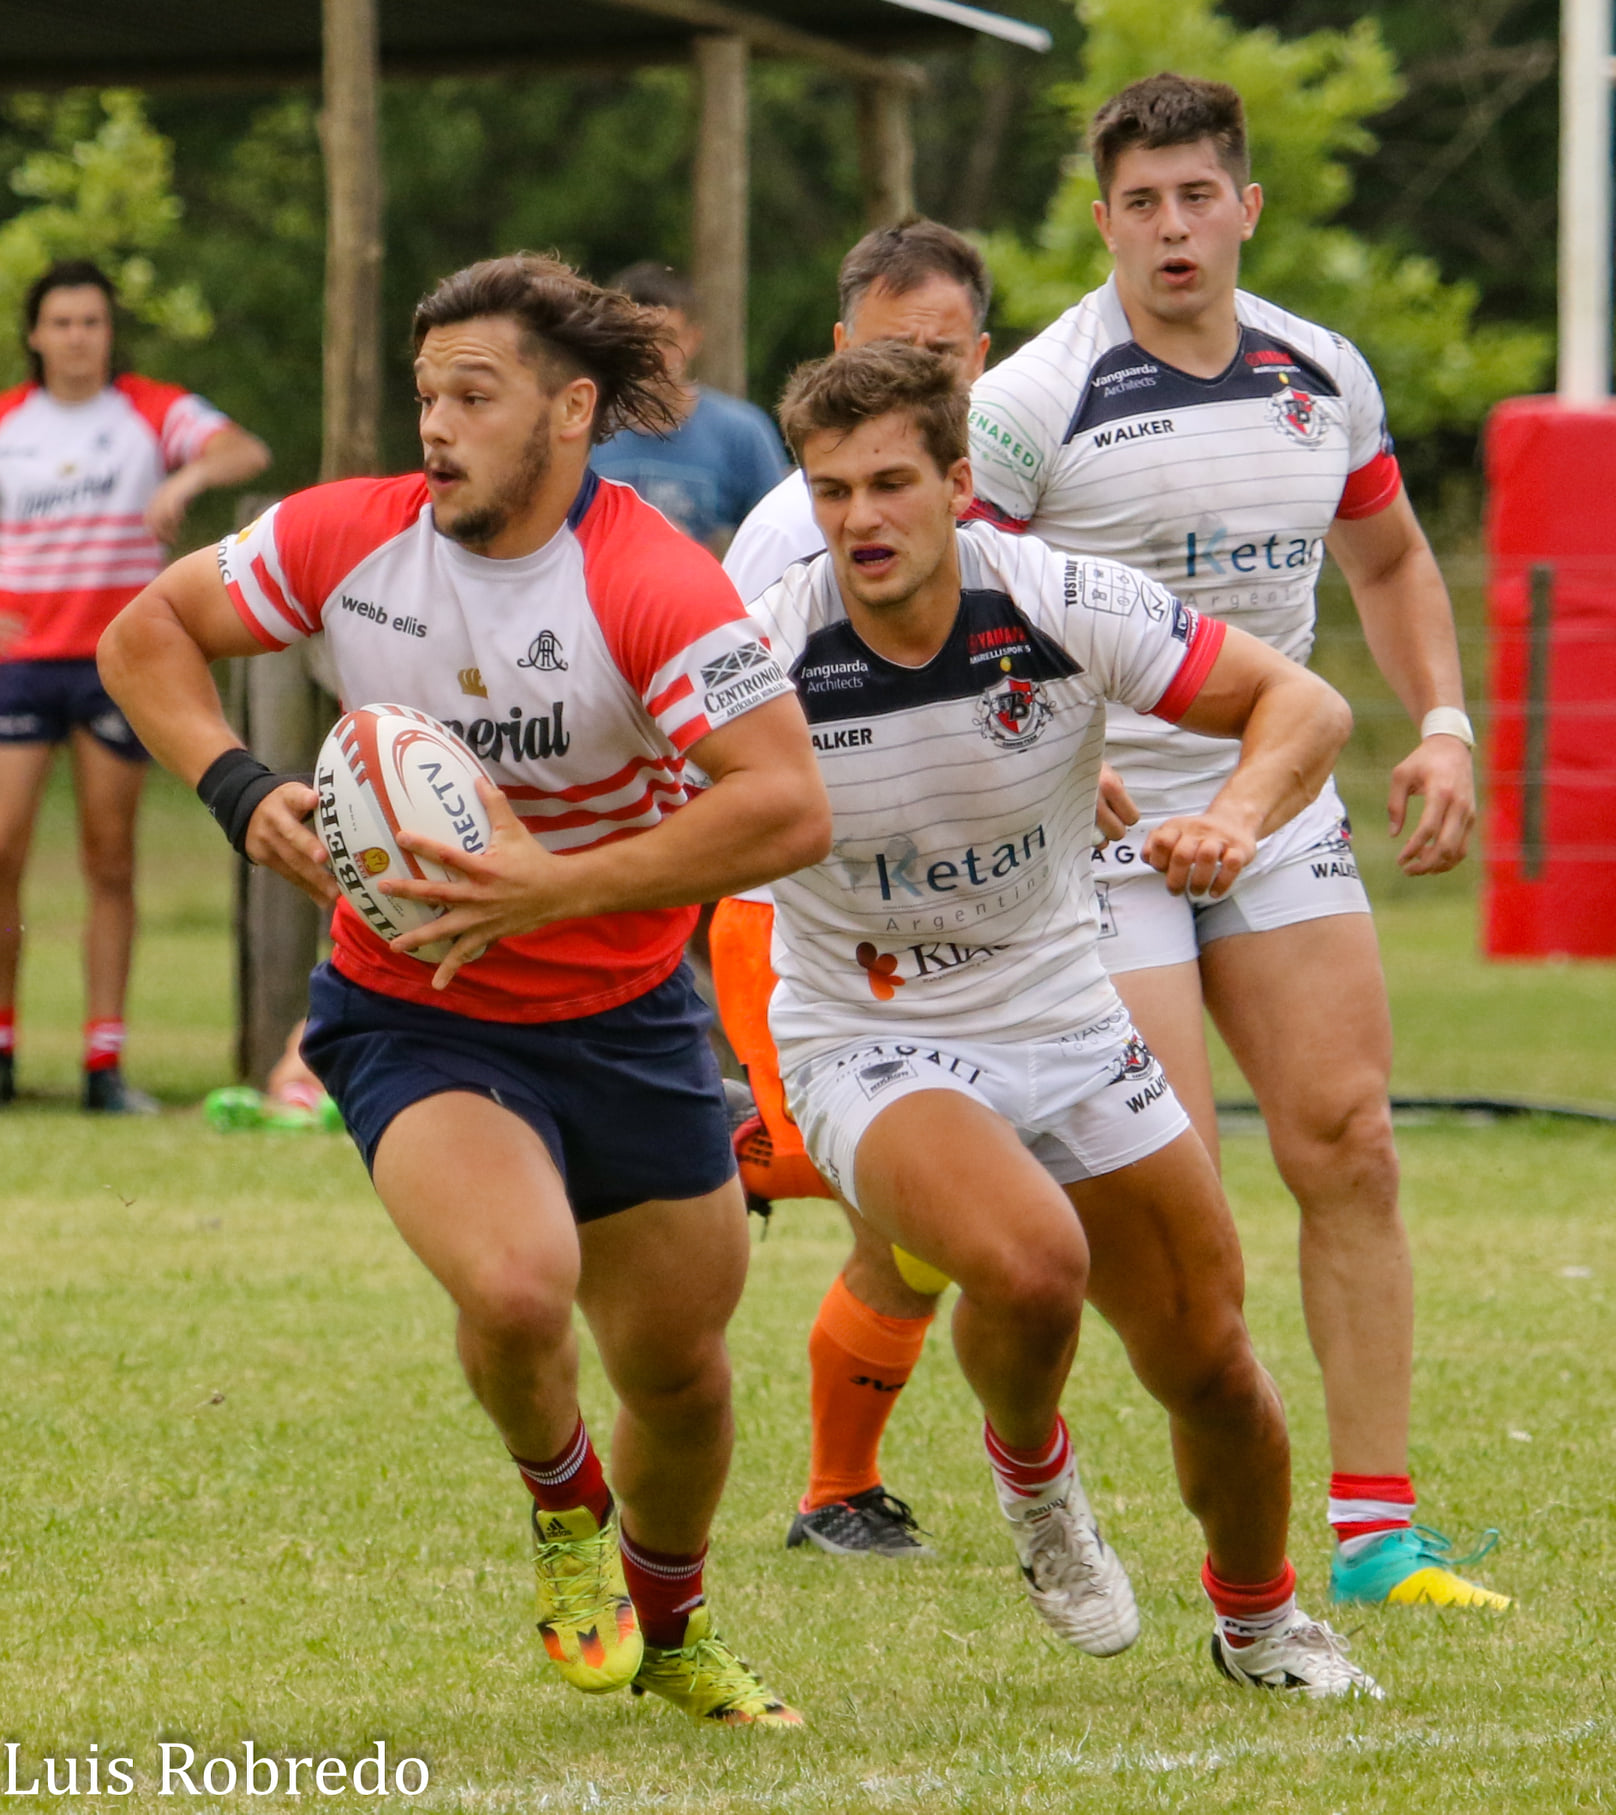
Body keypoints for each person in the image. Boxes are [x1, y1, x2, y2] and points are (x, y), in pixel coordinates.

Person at [99, 253, 831, 1727]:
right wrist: (241, 787)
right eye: (426, 394)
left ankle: (675, 1628)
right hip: (413, 1008)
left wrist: (553, 882)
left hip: (628, 1017)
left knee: (681, 1371)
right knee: (512, 1284)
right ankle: (568, 1513)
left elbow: (786, 805)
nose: (436, 425)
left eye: (474, 396)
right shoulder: (346, 539)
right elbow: (145, 636)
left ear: (569, 411)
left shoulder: (650, 582)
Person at [752, 339, 1376, 1696]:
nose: (860, 517)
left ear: (962, 484)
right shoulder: (765, 647)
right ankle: (1034, 1473)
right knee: (1032, 1261)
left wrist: (1232, 813)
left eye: (891, 483)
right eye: (831, 488)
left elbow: (1303, 702)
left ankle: (1261, 1620)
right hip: (871, 1030)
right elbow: (660, 799)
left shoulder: (1054, 595)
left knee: (1210, 1352)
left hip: (1062, 1002)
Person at [966, 73, 1507, 1612]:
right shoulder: (1033, 399)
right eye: (1141, 202)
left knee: (1352, 1141)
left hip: (1273, 813)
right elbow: (960, 601)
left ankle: (1379, 1533)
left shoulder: (1317, 369)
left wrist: (1447, 723)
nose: (1172, 226)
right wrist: (1050, 752)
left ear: (1244, 205)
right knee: (1171, 1202)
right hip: (1098, 832)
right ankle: (1065, 1465)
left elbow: (1392, 557)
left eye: (1198, 194)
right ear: (1104, 223)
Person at [712, 220, 1021, 1563]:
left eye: (938, 358)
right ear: (841, 351)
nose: (909, 377)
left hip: (956, 916)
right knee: (900, 1204)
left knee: (937, 1222)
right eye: (887, 353)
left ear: (979, 365)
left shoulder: (995, 489)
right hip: (804, 922)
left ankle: (842, 1486)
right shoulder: (802, 525)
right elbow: (725, 751)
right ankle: (679, 1138)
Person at [0, 258, 270, 1112]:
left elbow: (243, 449)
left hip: (118, 661)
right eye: (63, 322)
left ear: (108, 333)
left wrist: (187, 476)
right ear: (36, 334)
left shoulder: (150, 413)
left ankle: (102, 1062)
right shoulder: (10, 423)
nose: (79, 337)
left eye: (93, 322)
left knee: (108, 856)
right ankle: (4, 1049)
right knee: (2, 850)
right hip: (21, 662)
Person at [590, 262, 787, 554]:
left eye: (666, 339)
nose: (651, 354)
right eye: (635, 339)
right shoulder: (584, 433)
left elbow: (778, 543)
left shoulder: (742, 433)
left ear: (693, 339)